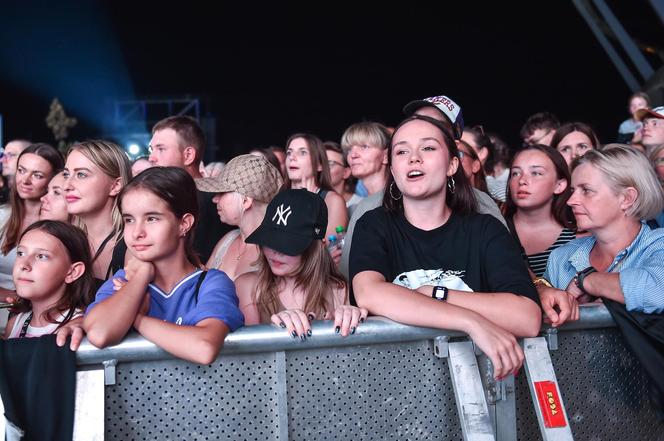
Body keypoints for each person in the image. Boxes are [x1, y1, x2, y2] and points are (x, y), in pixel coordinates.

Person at [350, 115, 542, 379]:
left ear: (452, 164)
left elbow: (527, 317)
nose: (413, 158)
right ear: (393, 170)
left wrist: (436, 293)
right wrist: (471, 322)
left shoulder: (485, 229)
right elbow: (370, 293)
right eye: (402, 151)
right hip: (394, 385)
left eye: (427, 148)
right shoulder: (373, 225)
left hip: (480, 383)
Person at [84, 167, 244, 364]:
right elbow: (100, 334)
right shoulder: (121, 283)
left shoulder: (210, 283)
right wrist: (142, 275)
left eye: (151, 218)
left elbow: (204, 348)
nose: (136, 233)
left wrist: (138, 319)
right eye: (129, 220)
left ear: (184, 224)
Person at [538, 144, 664, 325]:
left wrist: (587, 281)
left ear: (626, 198)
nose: (571, 201)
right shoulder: (562, 257)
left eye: (586, 190)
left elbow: (657, 292)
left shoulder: (658, 244)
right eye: (573, 191)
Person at [235, 189, 367, 338]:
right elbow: (252, 356)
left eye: (286, 244)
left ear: (316, 247)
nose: (275, 252)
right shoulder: (248, 287)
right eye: (270, 240)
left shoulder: (339, 291)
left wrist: (350, 320)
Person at [149, 115, 230, 262]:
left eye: (161, 149)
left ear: (188, 155)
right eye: (151, 149)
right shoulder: (164, 195)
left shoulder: (213, 199)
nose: (151, 158)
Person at [197, 154, 283, 280]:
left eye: (222, 192)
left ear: (245, 201)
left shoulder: (279, 254)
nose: (215, 199)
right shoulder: (227, 240)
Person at [3, 220, 93, 339]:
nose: (24, 265)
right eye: (21, 253)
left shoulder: (78, 327)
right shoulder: (14, 325)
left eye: (42, 256)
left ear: (72, 272)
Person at [63, 140, 132, 291]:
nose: (67, 185)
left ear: (115, 186)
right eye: (66, 174)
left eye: (81, 174)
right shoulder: (64, 242)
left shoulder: (134, 246)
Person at [0, 143, 63, 298]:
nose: (25, 180)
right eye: (21, 171)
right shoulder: (2, 215)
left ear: (53, 179)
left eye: (37, 175)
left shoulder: (60, 223)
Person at [503, 145, 576, 277]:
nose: (522, 181)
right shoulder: (494, 229)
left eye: (536, 173)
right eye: (515, 173)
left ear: (559, 185)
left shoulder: (578, 239)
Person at [285, 133, 348, 241]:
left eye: (302, 152)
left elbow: (329, 252)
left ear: (319, 165)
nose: (292, 157)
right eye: (289, 152)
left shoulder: (332, 201)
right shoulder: (278, 197)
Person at [341, 122, 391, 198]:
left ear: (386, 156)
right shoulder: (357, 206)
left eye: (364, 147)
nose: (353, 155)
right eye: (349, 150)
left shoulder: (402, 200)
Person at [324, 141, 362, 213]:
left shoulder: (360, 205)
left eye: (329, 163)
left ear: (346, 173)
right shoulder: (311, 201)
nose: (322, 168)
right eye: (320, 163)